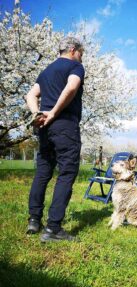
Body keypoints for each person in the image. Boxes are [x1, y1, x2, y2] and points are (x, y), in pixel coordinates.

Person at [26, 37, 85, 242]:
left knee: (43, 172)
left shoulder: (46, 71)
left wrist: (37, 114)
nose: (81, 58)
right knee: (67, 173)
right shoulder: (75, 67)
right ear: (72, 49)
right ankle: (53, 229)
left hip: (44, 128)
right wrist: (53, 113)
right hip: (64, 125)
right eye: (81, 53)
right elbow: (71, 88)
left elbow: (30, 95)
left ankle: (34, 220)